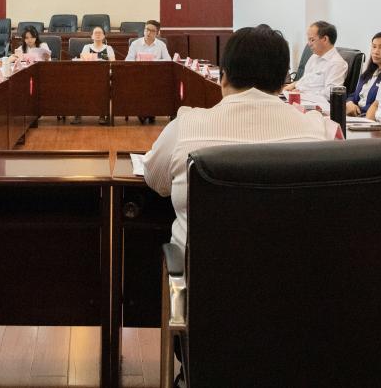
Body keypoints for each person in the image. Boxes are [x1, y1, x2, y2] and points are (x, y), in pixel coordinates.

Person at [144, 25, 337, 249]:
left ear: (223, 77)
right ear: (282, 82)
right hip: (294, 265)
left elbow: (155, 180)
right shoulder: (319, 130)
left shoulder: (185, 127)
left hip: (203, 267)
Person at [284, 20, 348, 105]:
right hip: (301, 100)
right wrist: (294, 85)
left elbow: (329, 94)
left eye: (312, 40)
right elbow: (306, 79)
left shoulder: (337, 63)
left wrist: (303, 95)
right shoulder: (314, 57)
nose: (309, 44)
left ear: (325, 39)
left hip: (316, 105)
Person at [345, 31, 381, 116]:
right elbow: (354, 94)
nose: (376, 52)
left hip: (366, 116)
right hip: (355, 114)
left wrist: (357, 110)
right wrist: (349, 102)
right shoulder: (370, 72)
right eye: (374, 47)